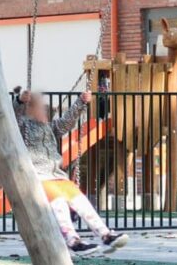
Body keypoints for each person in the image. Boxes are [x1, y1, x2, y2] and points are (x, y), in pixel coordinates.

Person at [15, 88, 127, 254]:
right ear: (30, 110)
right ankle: (72, 240)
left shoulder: (49, 128)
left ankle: (106, 235)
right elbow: (10, 120)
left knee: (81, 201)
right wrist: (19, 101)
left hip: (57, 175)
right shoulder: (22, 127)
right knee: (59, 203)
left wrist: (81, 102)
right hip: (38, 176)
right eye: (39, 109)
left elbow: (67, 121)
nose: (44, 112)